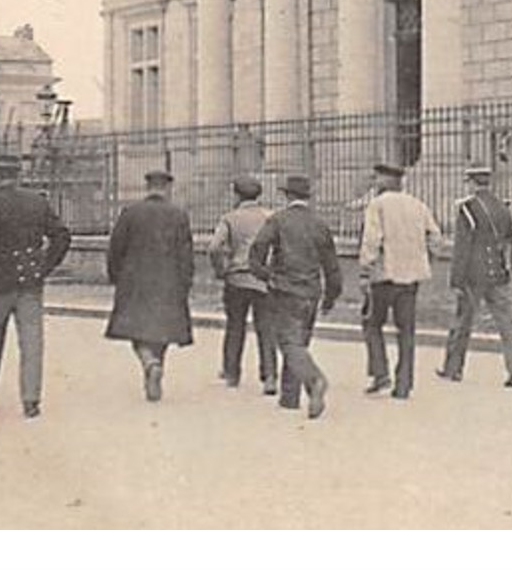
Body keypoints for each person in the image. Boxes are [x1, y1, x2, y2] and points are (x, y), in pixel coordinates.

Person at [0, 153, 71, 419]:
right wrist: (44, 267)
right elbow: (62, 236)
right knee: (32, 342)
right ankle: (31, 400)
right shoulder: (38, 203)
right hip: (30, 283)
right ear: (19, 175)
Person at [249, 173, 341, 419]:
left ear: (287, 196)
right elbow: (332, 265)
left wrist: (265, 275)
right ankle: (289, 397)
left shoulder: (277, 220)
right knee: (300, 341)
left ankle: (314, 380)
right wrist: (331, 296)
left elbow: (257, 251)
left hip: (285, 289)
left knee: (289, 342)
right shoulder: (319, 223)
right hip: (312, 291)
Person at [105, 169, 194, 402]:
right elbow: (186, 254)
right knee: (162, 330)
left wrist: (115, 276)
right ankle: (155, 367)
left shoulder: (130, 213)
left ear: (148, 187)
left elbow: (116, 248)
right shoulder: (179, 215)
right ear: (167, 188)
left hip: (135, 281)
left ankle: (148, 362)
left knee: (137, 329)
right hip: (169, 281)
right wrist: (185, 282)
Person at [437, 164, 512, 387]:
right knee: (507, 322)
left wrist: (456, 279)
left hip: (473, 275)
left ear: (472, 182)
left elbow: (462, 248)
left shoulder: (468, 209)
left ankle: (453, 369)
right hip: (498, 272)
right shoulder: (502, 207)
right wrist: (509, 268)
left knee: (462, 322)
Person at [358, 161, 440, 400]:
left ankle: (380, 374)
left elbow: (371, 241)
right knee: (406, 330)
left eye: (377, 178)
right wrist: (424, 260)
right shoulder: (418, 204)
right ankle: (404, 384)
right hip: (411, 278)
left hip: (384, 276)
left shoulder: (377, 205)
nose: (374, 183)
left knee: (372, 324)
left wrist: (365, 270)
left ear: (385, 181)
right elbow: (436, 238)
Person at [209, 174, 279, 394]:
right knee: (266, 328)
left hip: (237, 278)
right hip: (263, 279)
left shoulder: (230, 218)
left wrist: (221, 269)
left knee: (235, 326)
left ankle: (232, 373)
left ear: (237, 195)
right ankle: (269, 375)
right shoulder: (271, 216)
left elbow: (214, 247)